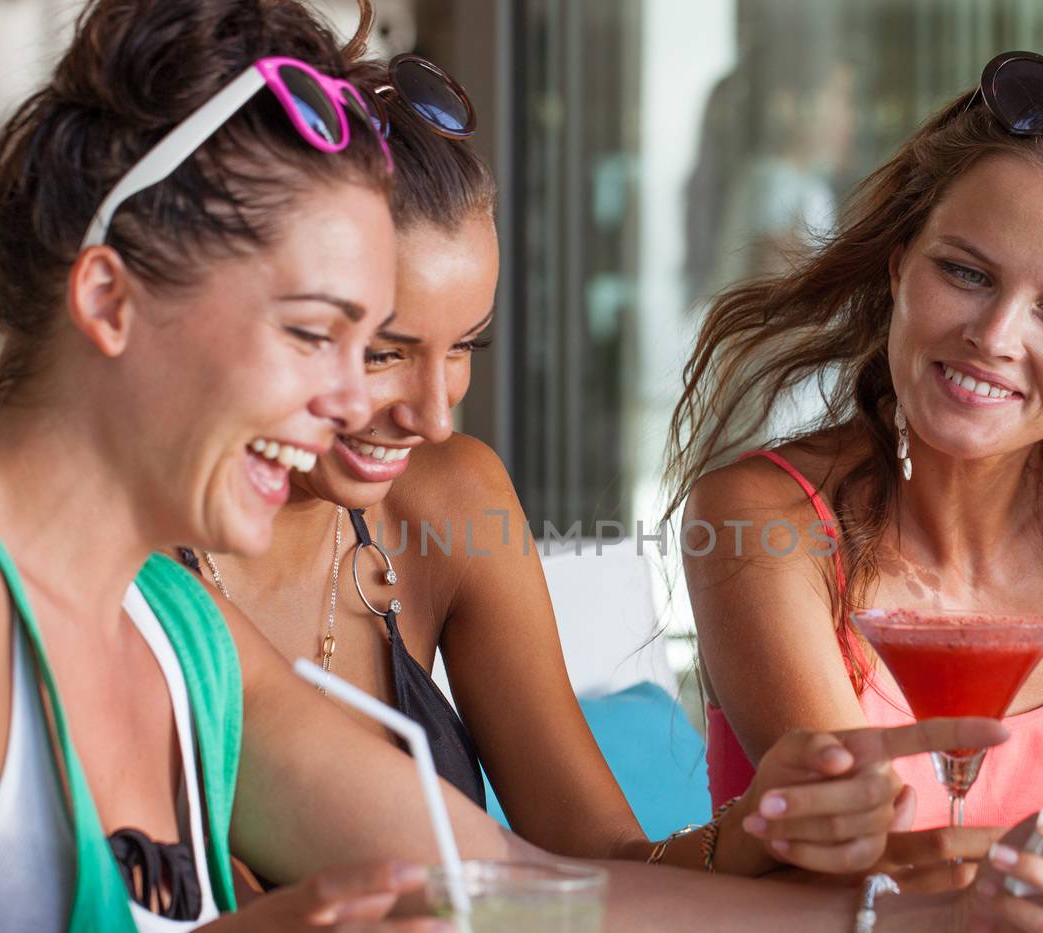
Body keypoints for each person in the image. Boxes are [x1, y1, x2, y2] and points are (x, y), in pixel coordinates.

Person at [0, 11, 1043, 933]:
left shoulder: (170, 629)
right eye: (320, 333)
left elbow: (515, 888)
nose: (360, 407)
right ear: (108, 294)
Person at [197, 48, 987, 882]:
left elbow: (601, 866)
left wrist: (755, 830)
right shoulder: (132, 569)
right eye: (386, 353)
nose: (434, 413)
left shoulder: (448, 500)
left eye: (466, 346)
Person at [665, 51, 1043, 911]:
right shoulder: (763, 519)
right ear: (898, 267)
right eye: (965, 273)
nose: (995, 335)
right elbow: (881, 865)